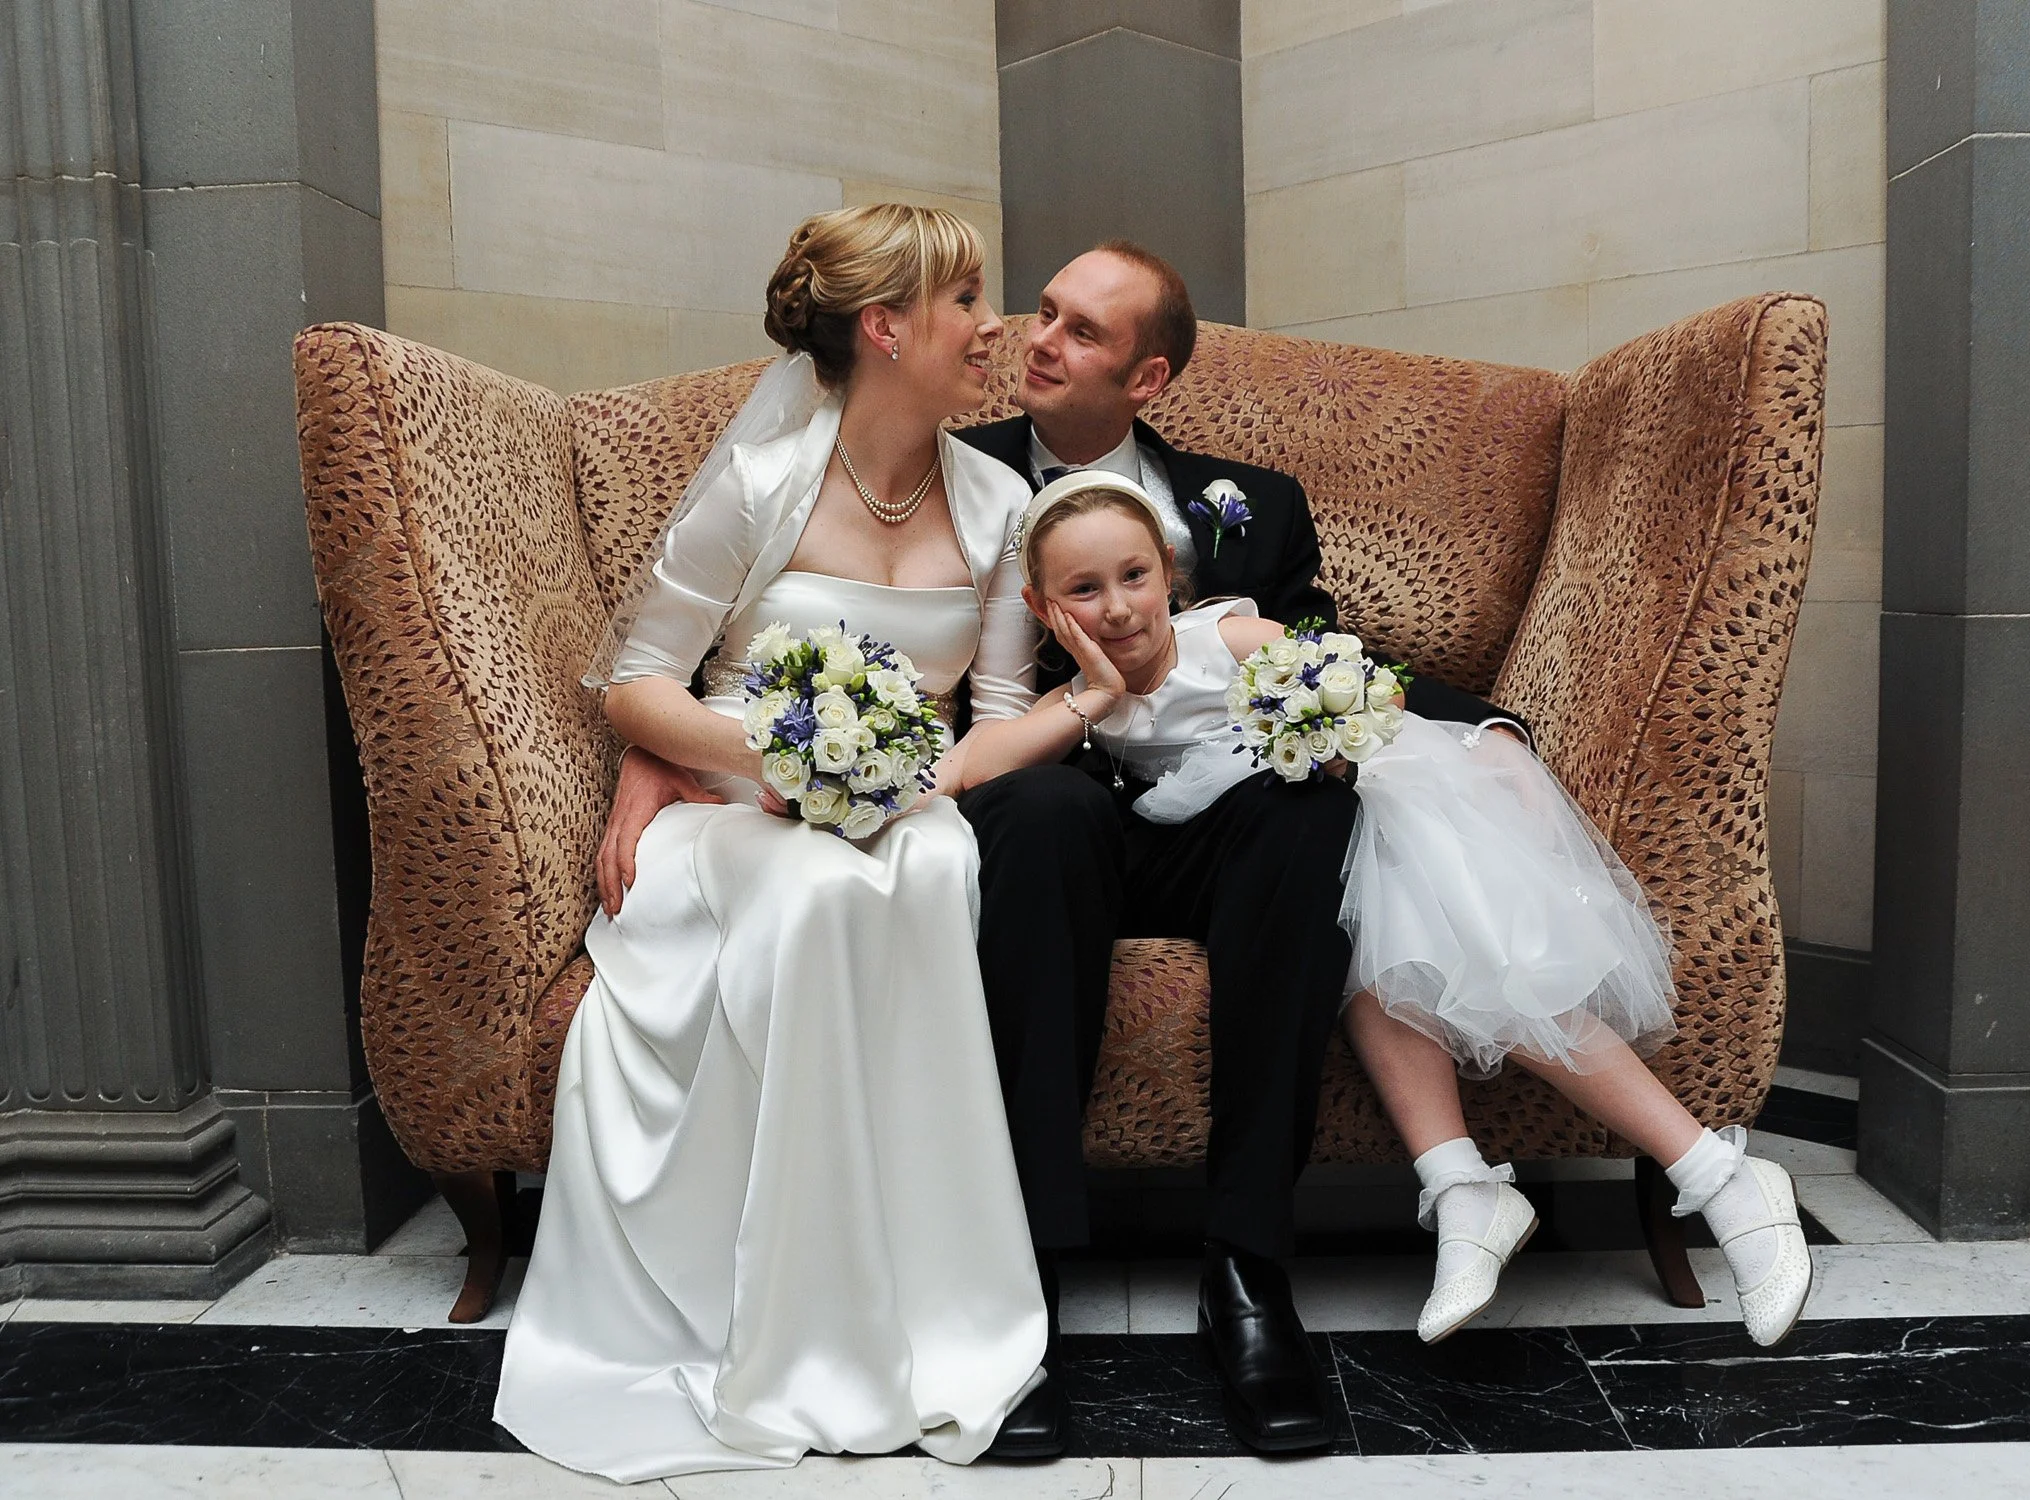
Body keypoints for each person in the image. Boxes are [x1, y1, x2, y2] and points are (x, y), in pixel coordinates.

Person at [593, 241, 1535, 1458]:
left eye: (1080, 332)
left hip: (1215, 819)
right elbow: (723, 644)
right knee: (1041, 820)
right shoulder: (956, 472)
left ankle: (1250, 1272)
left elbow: (1324, 670)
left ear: (1145, 380)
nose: (1032, 339)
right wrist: (657, 750)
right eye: (1032, 313)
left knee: (1310, 808)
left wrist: (1484, 726)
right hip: (1041, 808)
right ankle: (1017, 1277)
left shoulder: (1253, 502)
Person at [949, 475, 1816, 1356]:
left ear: (1169, 571)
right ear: (1042, 606)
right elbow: (971, 769)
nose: (1119, 610)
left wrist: (1486, 735)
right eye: (1085, 591)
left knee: (1490, 966)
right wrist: (1091, 692)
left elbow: (1367, 687)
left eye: (1134, 576)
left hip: (1375, 805)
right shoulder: (1069, 696)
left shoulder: (1230, 636)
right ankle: (1464, 1189)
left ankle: (1719, 1174)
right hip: (1281, 858)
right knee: (1385, 962)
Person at [493, 205, 1047, 1480]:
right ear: (885, 326)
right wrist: (780, 760)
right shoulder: (758, 484)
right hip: (734, 817)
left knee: (941, 865)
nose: (993, 326)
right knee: (814, 900)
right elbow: (637, 680)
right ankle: (802, 1335)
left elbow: (1001, 712)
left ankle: (940, 1315)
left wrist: (901, 782)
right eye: (968, 301)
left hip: (910, 809)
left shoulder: (1001, 501)